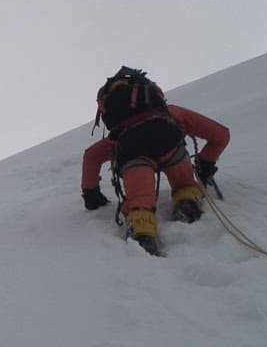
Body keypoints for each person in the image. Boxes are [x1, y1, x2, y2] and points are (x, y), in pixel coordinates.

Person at [81, 66, 230, 255]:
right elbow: (221, 135)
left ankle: (142, 237)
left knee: (140, 201)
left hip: (132, 150)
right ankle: (186, 203)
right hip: (168, 143)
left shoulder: (120, 132)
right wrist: (205, 165)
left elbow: (91, 157)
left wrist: (91, 194)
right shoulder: (171, 113)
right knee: (185, 184)